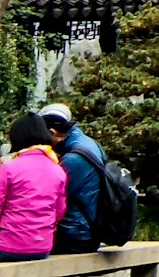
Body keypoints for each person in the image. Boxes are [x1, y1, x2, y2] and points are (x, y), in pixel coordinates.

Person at [38, 105, 103, 255]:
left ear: (52, 133)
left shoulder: (74, 159)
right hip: (89, 230)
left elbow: (53, 199)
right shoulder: (90, 144)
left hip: (76, 235)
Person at [0, 114, 66, 261]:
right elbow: (59, 212)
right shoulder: (58, 170)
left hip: (7, 247)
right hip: (42, 249)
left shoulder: (9, 168)